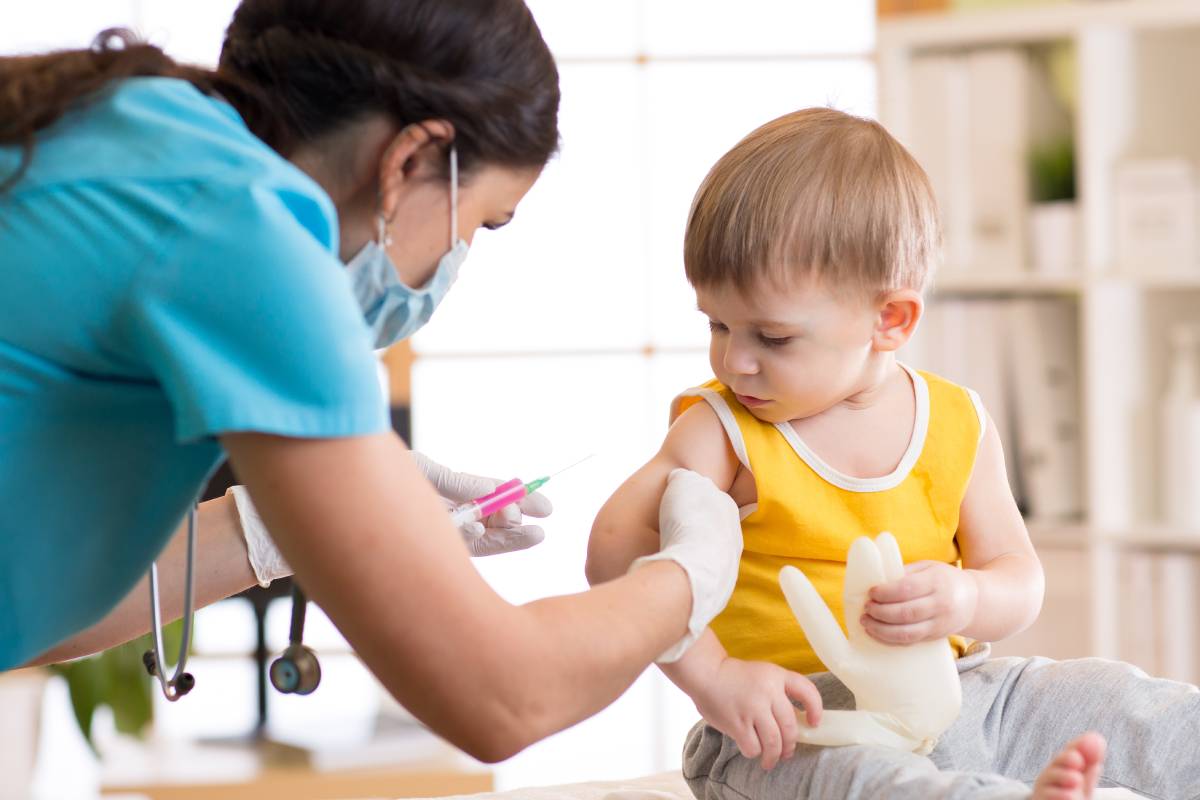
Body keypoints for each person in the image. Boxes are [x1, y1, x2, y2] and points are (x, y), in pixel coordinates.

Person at [0, 0, 745, 762]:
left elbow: (24, 608)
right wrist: (688, 577)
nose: (455, 260)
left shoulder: (140, 133)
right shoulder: (245, 235)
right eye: (480, 222)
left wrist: (260, 534)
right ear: (412, 160)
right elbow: (504, 696)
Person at [587, 107, 1200, 799]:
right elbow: (614, 546)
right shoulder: (720, 431)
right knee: (877, 786)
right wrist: (714, 677)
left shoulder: (957, 421)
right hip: (792, 729)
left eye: (774, 337)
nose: (736, 360)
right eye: (718, 324)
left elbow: (1019, 578)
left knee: (1124, 702)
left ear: (892, 320)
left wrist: (966, 596)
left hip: (961, 695)